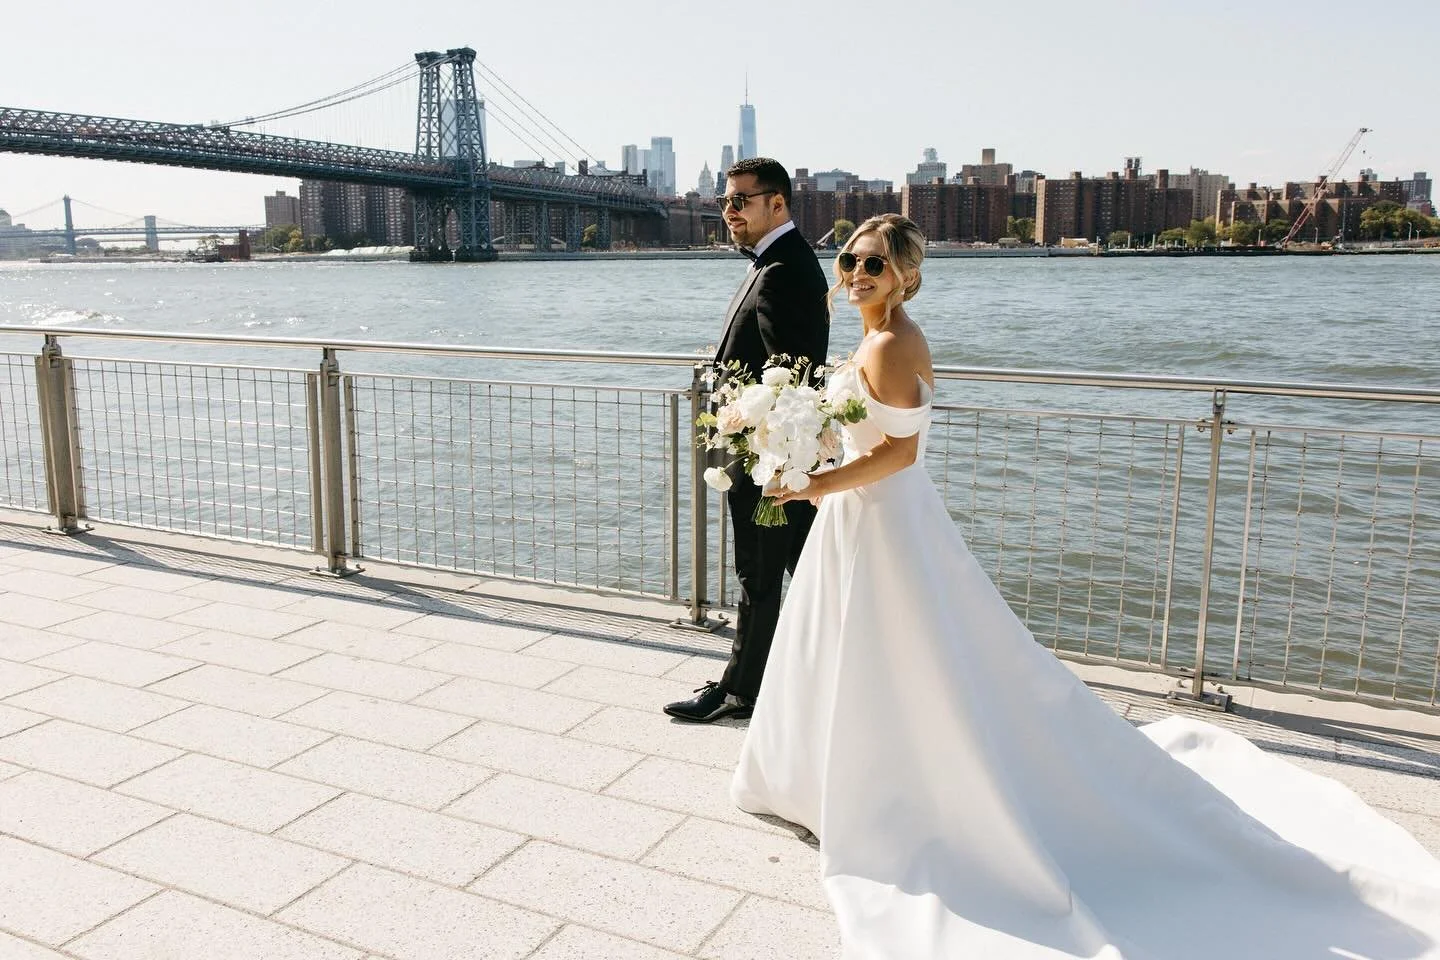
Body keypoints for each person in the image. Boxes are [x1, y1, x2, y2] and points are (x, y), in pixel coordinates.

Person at [732, 213, 1440, 958]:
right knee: (863, 647)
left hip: (885, 516)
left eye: (874, 263)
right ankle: (839, 779)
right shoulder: (872, 338)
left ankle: (893, 792)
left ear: (905, 274)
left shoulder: (891, 342)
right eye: (849, 260)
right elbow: (868, 434)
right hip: (858, 514)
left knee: (900, 652)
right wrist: (807, 452)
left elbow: (901, 454)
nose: (856, 273)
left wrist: (815, 484)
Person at [663, 157, 829, 724]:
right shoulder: (777, 262)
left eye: (741, 201)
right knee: (812, 571)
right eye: (724, 202)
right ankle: (834, 675)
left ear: (777, 203)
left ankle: (741, 691)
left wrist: (775, 462)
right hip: (773, 457)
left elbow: (794, 378)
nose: (729, 212)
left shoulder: (784, 269)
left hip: (769, 461)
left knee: (759, 576)